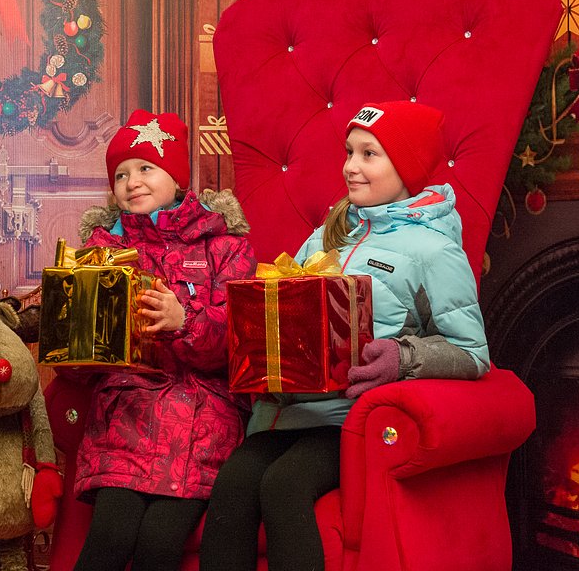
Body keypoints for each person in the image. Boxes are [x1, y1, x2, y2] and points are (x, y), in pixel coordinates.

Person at [199, 101, 490, 571]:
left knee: (284, 485)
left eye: (369, 154)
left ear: (406, 167)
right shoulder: (324, 237)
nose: (351, 166)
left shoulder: (434, 251)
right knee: (233, 483)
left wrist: (401, 357)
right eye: (349, 151)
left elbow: (472, 353)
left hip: (350, 423)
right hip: (287, 414)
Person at [70, 109, 256, 571]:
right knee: (109, 537)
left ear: (176, 177)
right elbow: (83, 355)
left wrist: (183, 321)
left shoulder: (225, 247)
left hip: (202, 419)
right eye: (120, 175)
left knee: (160, 541)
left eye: (145, 168)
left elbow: (239, 339)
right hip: (127, 417)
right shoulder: (102, 251)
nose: (132, 182)